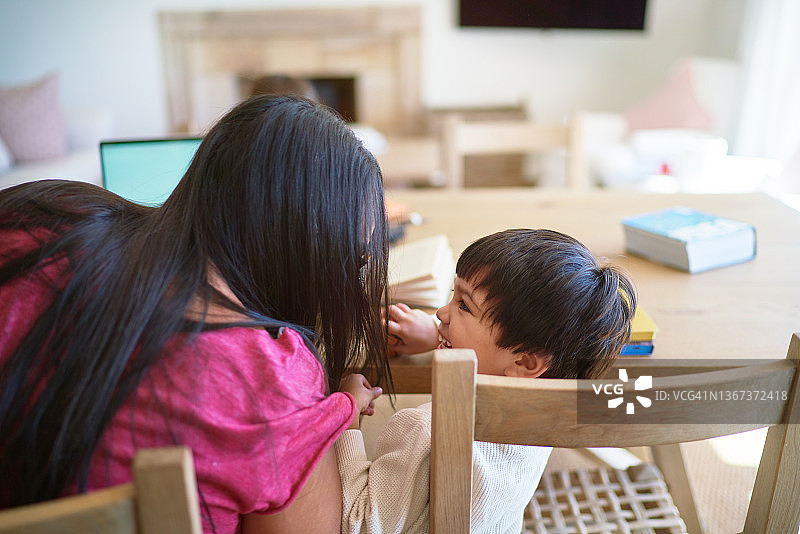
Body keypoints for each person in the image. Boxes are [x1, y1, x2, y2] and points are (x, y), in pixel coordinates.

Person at [0, 95, 389, 534]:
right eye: (349, 260)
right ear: (305, 250)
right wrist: (335, 424)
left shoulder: (43, 215)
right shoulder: (270, 379)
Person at [338, 228, 637, 533]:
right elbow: (494, 355)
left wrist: (345, 418)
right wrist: (437, 334)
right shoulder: (548, 399)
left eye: (464, 306)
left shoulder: (422, 428)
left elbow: (359, 523)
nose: (442, 311)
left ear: (525, 362)